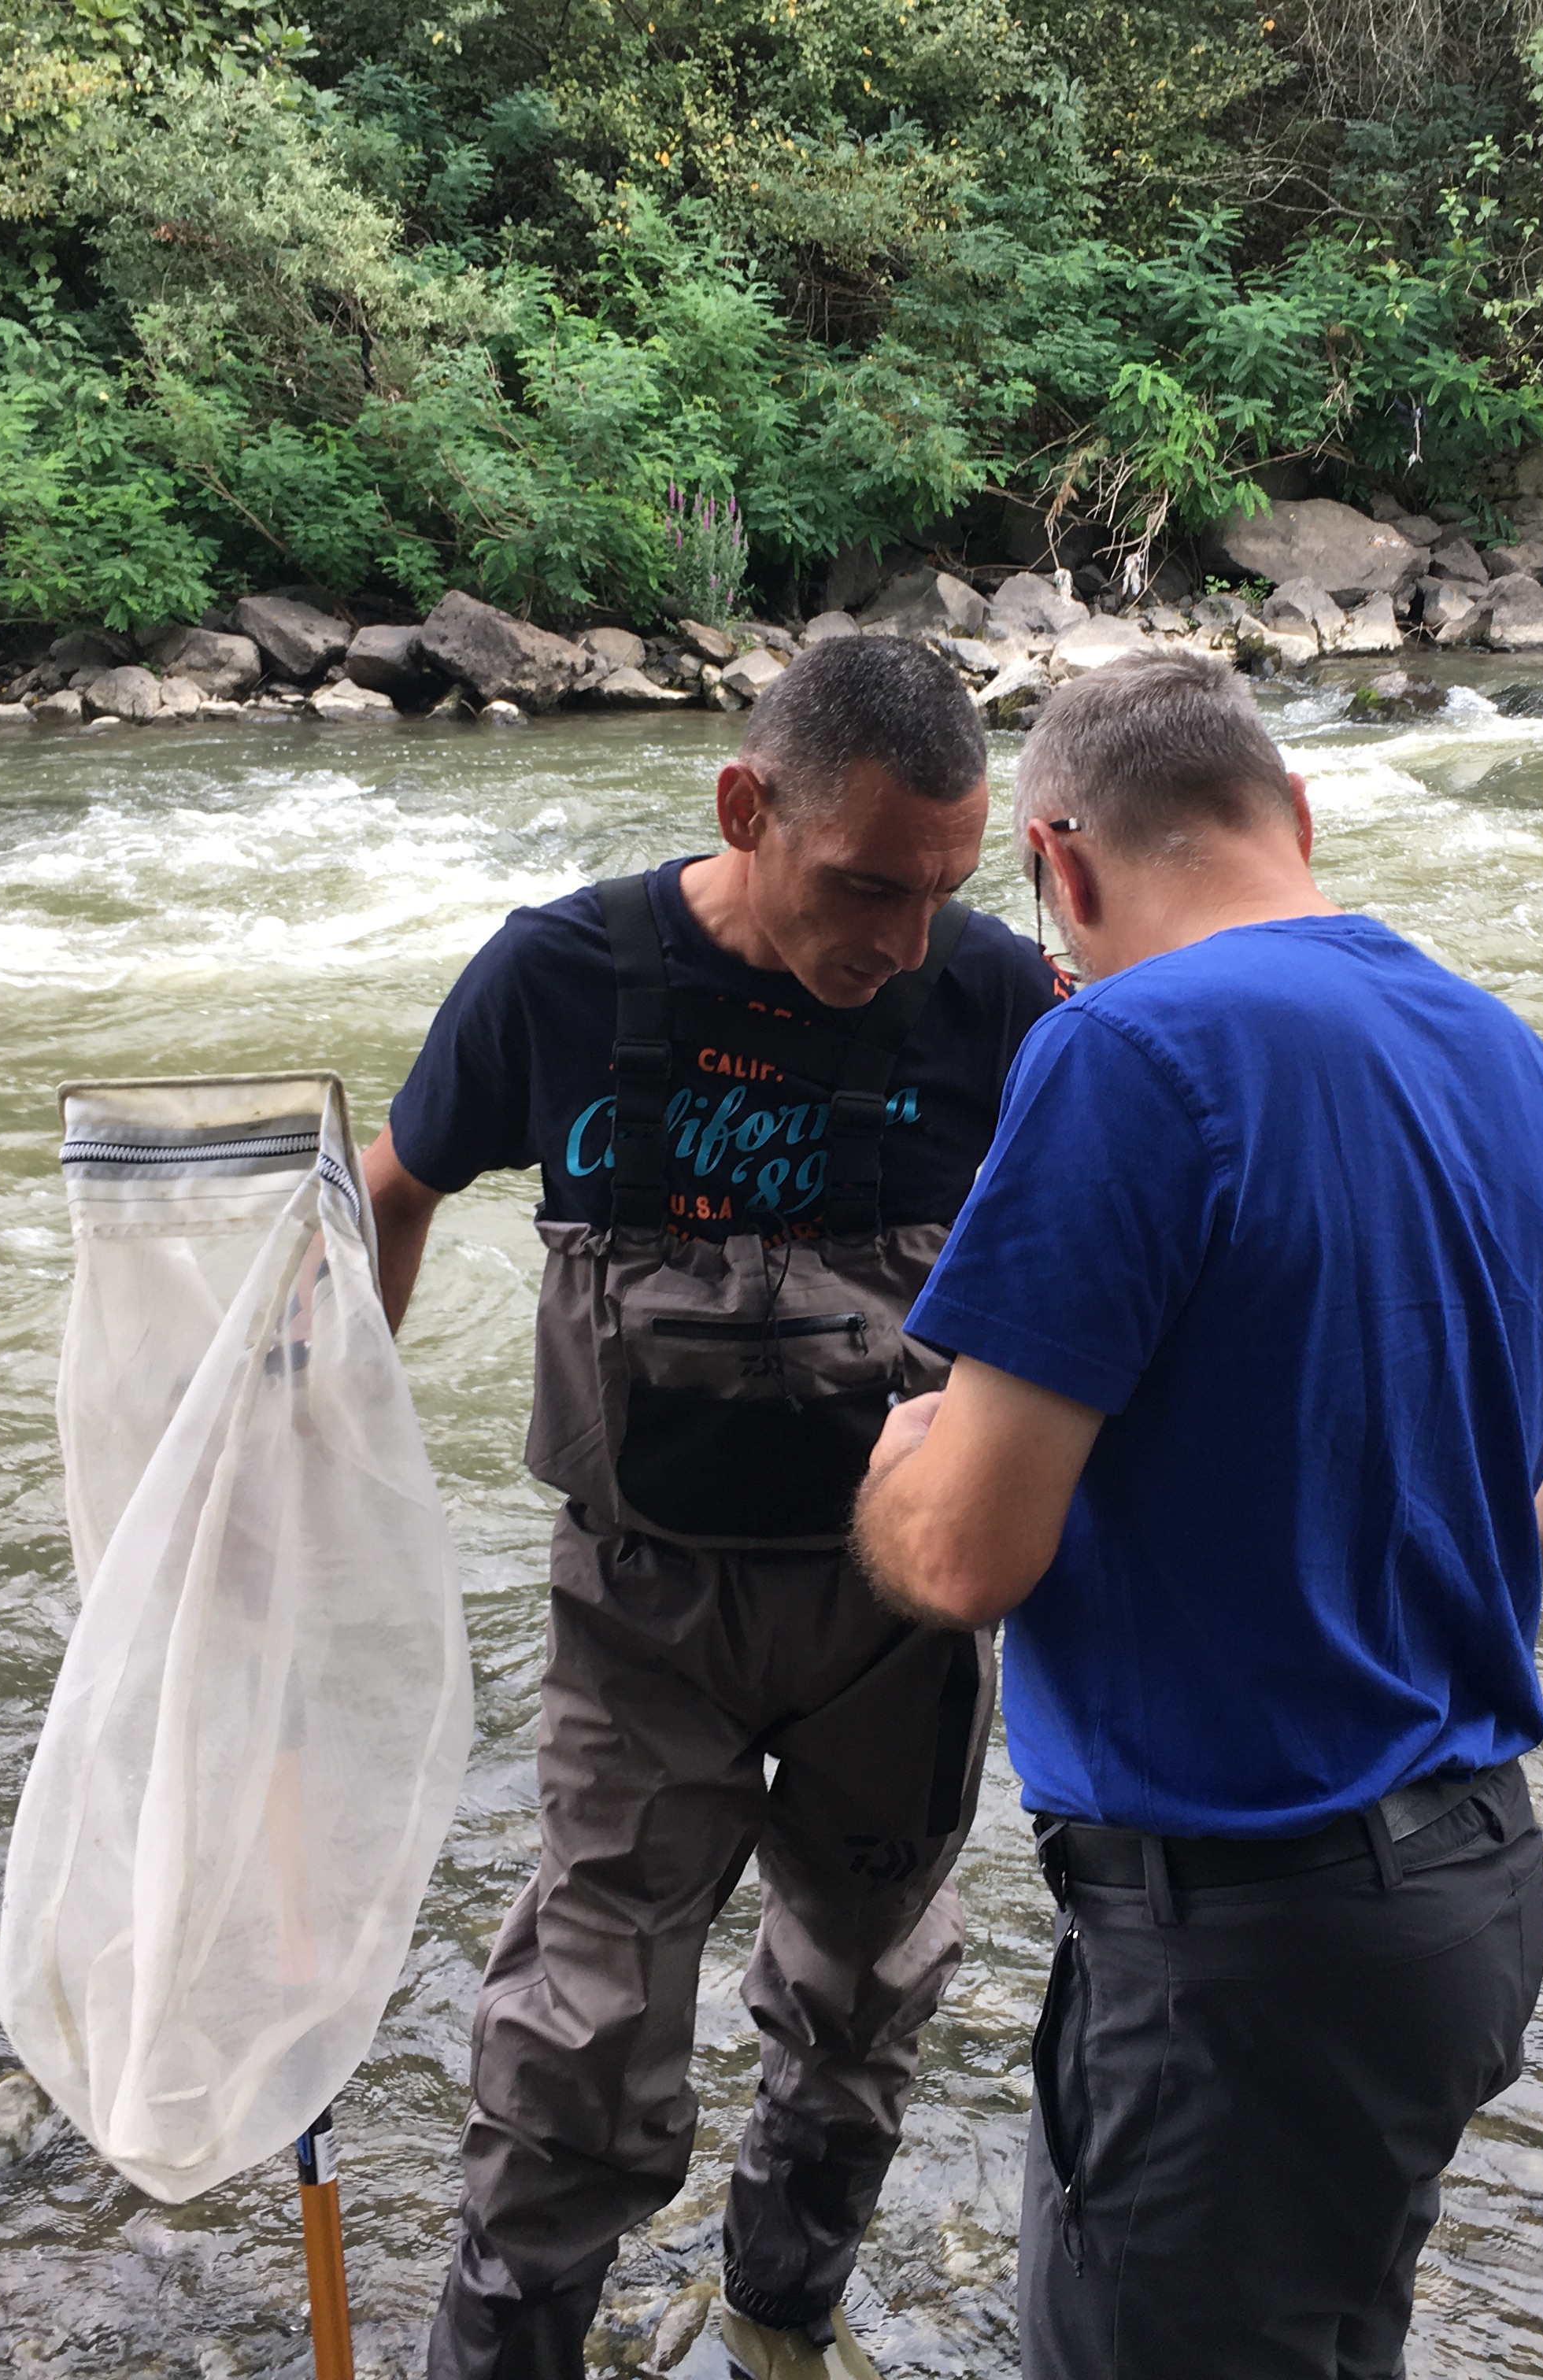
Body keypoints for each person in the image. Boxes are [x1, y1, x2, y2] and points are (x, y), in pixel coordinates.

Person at [851, 649, 1543, 2380]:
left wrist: (897, 1472)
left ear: (1060, 868)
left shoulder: (1121, 1051)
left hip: (1243, 1951)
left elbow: (964, 1555)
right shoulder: (1501, 1047)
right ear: (1296, 817)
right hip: (1465, 1902)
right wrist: (1402, 1540)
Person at [362, 635, 1065, 2380]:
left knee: (863, 2003)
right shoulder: (557, 975)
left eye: (941, 890)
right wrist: (324, 1476)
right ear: (747, 806)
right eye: (864, 886)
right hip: (638, 1615)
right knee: (578, 2033)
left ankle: (780, 2320)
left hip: (900, 1624)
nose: (900, 940)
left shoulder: (1001, 1003)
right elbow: (388, 1187)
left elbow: (1107, 1255)